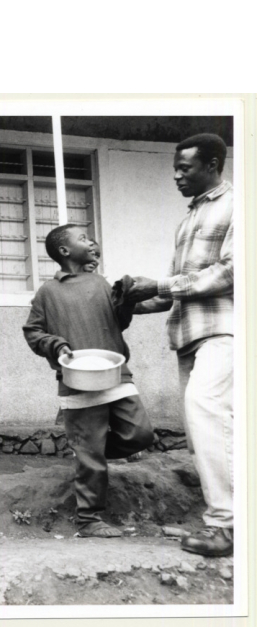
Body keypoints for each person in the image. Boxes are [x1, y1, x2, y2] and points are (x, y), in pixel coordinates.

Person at [127, 133, 234, 557]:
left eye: (184, 168)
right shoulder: (188, 219)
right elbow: (178, 289)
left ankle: (226, 527)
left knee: (207, 413)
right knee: (206, 430)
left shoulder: (237, 206)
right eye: (175, 167)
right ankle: (224, 519)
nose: (176, 175)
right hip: (189, 336)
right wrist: (128, 302)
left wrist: (160, 283)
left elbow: (231, 271)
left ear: (212, 165)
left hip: (228, 330)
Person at [23, 224, 154, 537]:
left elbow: (119, 322)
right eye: (83, 238)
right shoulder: (48, 292)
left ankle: (87, 453)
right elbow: (33, 332)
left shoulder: (99, 282)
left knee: (140, 434)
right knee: (90, 452)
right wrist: (56, 344)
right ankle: (89, 519)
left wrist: (126, 300)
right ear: (65, 251)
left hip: (114, 372)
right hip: (77, 378)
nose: (92, 240)